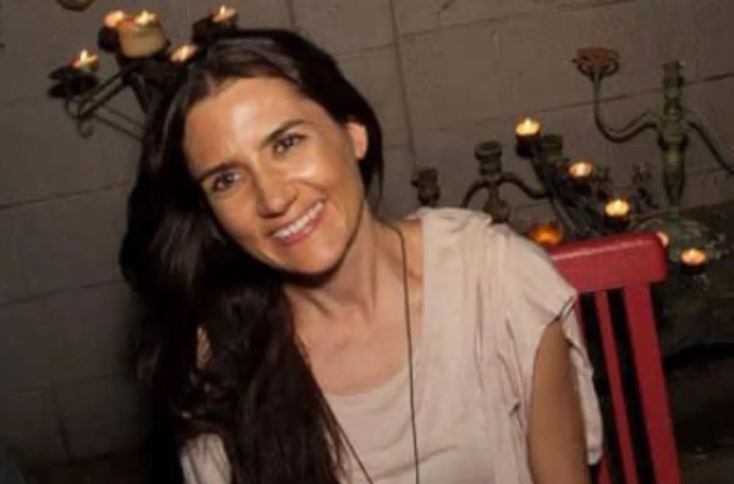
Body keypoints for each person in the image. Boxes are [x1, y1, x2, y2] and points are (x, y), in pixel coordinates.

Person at [120, 29, 602, 484]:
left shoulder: (494, 283)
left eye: (287, 143)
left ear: (354, 135)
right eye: (226, 179)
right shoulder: (222, 364)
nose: (272, 198)